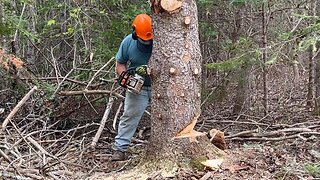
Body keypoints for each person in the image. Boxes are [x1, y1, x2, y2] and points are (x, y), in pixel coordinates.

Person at [112, 14, 153, 161]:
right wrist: (126, 77)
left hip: (160, 87)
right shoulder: (128, 42)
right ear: (135, 33)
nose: (146, 43)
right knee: (129, 116)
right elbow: (120, 62)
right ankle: (120, 149)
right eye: (143, 40)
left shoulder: (162, 41)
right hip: (138, 87)